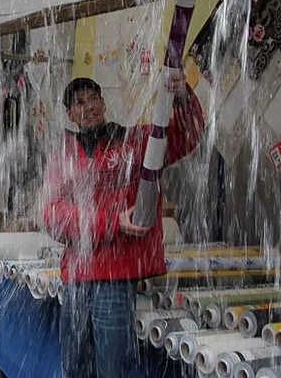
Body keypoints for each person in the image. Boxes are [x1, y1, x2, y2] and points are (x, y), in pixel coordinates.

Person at [42, 74, 203, 378]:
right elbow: (53, 216)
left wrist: (182, 96)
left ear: (103, 102)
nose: (87, 106)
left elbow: (187, 135)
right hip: (76, 278)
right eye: (78, 103)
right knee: (74, 367)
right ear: (69, 114)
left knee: (113, 369)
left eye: (93, 98)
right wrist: (113, 222)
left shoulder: (135, 143)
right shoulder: (63, 156)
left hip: (115, 279)